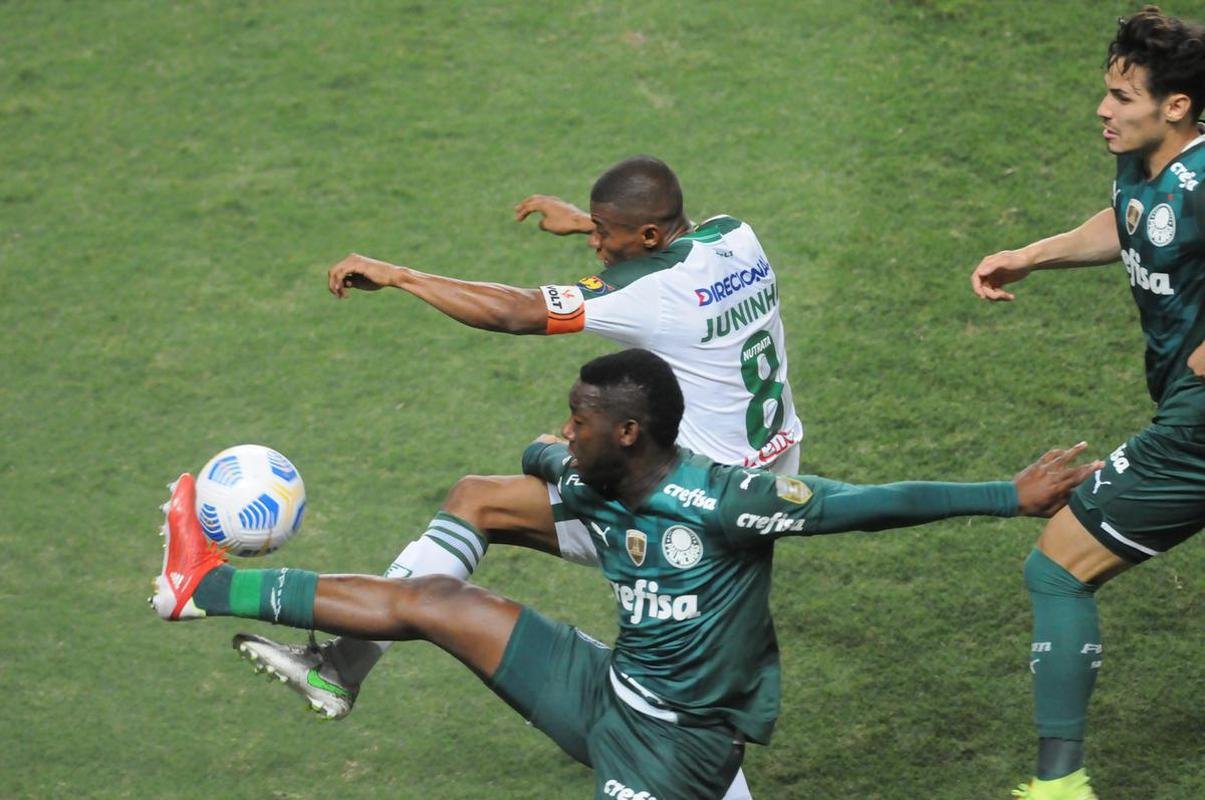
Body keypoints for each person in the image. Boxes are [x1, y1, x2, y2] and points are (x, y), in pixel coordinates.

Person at [153, 349, 1098, 800]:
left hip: (677, 748)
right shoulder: (584, 470)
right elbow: (533, 459)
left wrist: (1004, 496)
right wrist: (540, 451)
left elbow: (867, 503)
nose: (565, 433)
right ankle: (204, 587)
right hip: (604, 685)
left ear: (631, 432)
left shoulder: (724, 502)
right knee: (434, 602)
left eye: (579, 419)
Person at [237, 156, 805, 741]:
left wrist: (400, 275)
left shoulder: (651, 293)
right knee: (485, 497)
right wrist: (590, 221)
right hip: (767, 476)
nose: (598, 247)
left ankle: (339, 666)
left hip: (692, 511)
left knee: (480, 505)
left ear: (648, 236)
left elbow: (515, 312)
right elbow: (672, 243)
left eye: (606, 236)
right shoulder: (737, 236)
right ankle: (342, 666)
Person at [969, 8, 1205, 799]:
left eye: (1120, 95)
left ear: (1175, 105)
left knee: (1058, 569)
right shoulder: (1145, 166)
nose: (1102, 110)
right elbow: (1130, 222)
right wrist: (1032, 253)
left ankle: (1058, 787)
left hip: (1196, 425)